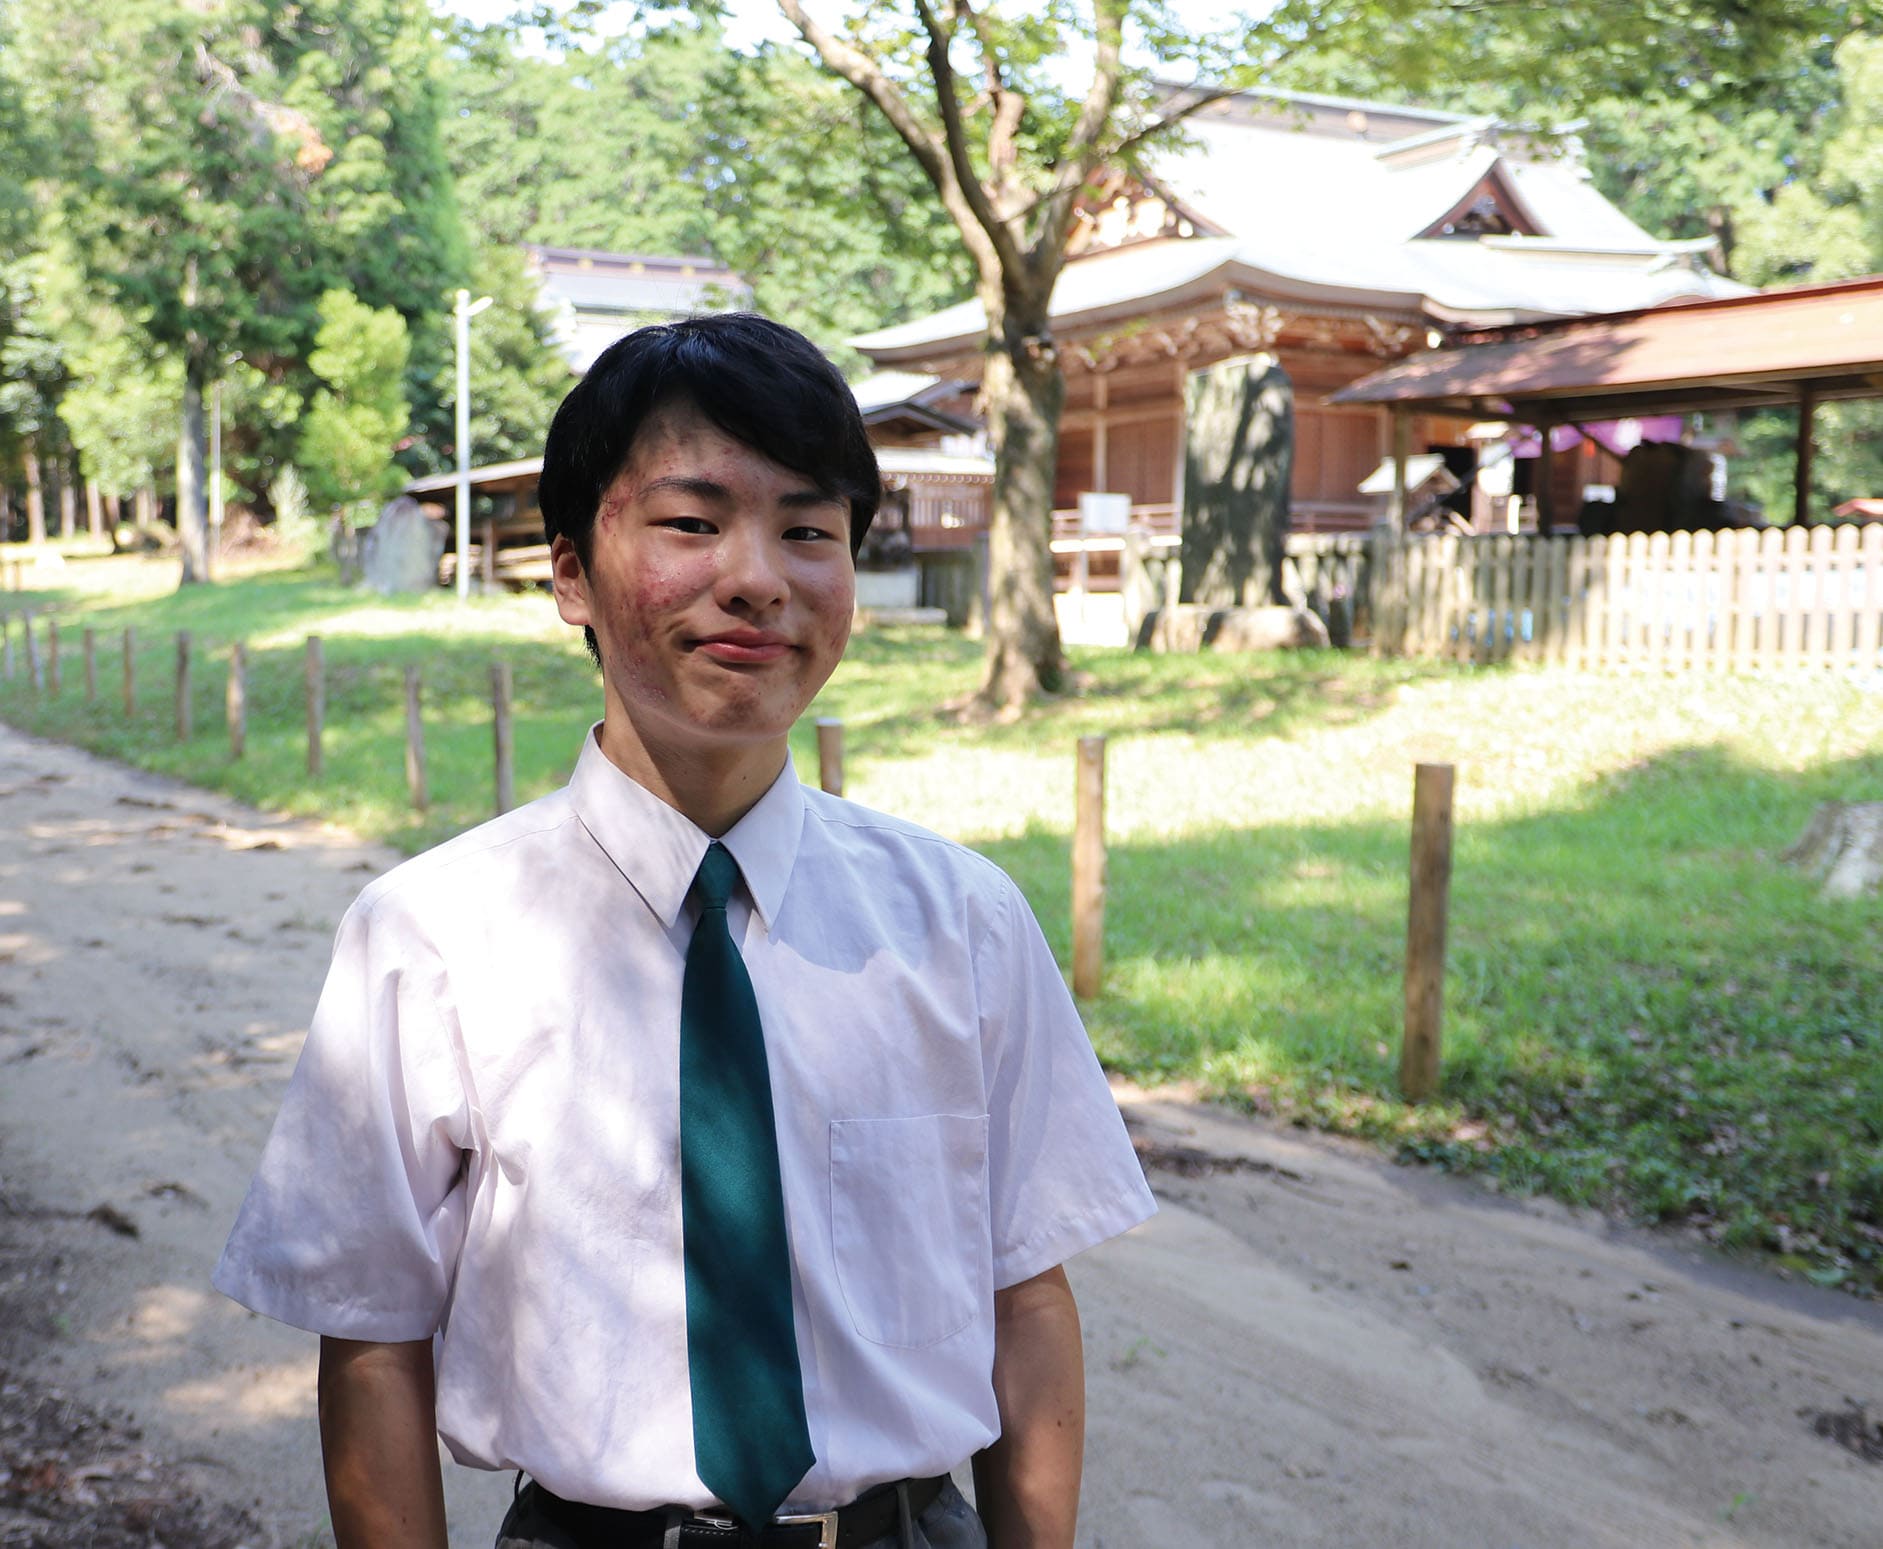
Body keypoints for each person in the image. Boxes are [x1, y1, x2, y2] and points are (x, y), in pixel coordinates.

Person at [213, 313, 1157, 1549]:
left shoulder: (959, 924)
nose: (757, 576)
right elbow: (374, 1342)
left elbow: (1025, 1297)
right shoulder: (431, 937)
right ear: (568, 573)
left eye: (807, 530)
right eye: (691, 523)